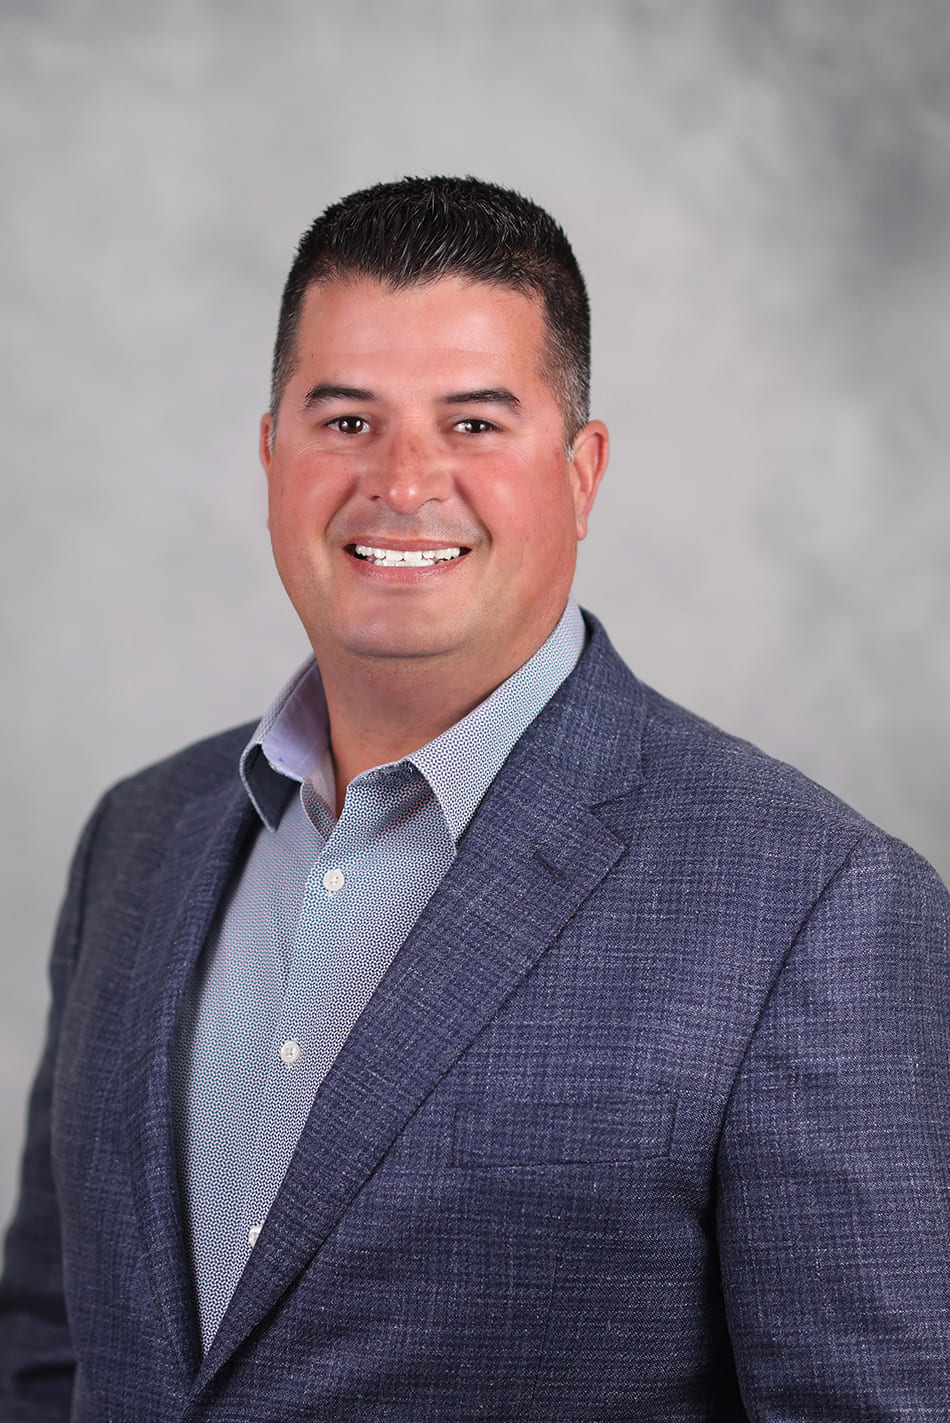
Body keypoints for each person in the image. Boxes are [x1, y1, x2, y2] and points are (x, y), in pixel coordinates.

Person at [0, 175, 947, 1421]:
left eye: (473, 423)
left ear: (581, 470)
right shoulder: (140, 837)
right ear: (270, 450)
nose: (401, 483)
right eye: (345, 420)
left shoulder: (816, 909)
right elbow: (51, 1340)